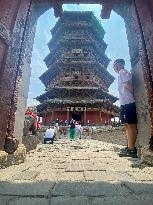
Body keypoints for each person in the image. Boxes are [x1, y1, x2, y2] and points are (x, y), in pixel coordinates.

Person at [113, 59, 138, 158]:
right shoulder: (121, 73)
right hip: (124, 103)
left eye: (116, 65)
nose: (114, 67)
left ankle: (131, 150)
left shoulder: (123, 72)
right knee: (127, 125)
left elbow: (128, 85)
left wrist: (134, 95)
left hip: (129, 102)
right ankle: (129, 147)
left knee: (131, 126)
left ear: (121, 64)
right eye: (113, 66)